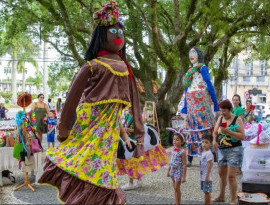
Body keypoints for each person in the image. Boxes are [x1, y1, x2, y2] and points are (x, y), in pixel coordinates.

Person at [38, 2, 144, 204]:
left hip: (108, 133)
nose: (118, 34)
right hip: (87, 126)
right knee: (82, 165)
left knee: (101, 171)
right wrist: (63, 129)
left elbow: (136, 106)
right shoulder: (92, 66)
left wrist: (139, 137)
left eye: (120, 31)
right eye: (113, 31)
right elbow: (71, 100)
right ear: (102, 36)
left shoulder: (125, 68)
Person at [181, 47, 219, 166]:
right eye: (190, 53)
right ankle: (190, 158)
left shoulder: (203, 68)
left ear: (199, 55)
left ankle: (210, 155)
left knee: (205, 129)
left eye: (194, 52)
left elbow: (209, 84)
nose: (191, 55)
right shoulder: (189, 71)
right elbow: (186, 89)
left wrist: (215, 102)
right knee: (192, 131)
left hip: (202, 102)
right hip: (192, 103)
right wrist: (185, 106)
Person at [117, 107, 167, 190]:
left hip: (135, 142)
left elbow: (140, 129)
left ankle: (131, 182)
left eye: (131, 107)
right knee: (131, 162)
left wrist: (129, 130)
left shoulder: (138, 118)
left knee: (131, 161)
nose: (129, 109)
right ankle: (138, 181)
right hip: (128, 141)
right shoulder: (127, 116)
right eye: (129, 107)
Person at [213, 99, 245, 204]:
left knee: (231, 176)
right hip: (222, 150)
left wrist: (229, 132)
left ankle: (232, 200)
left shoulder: (238, 119)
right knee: (221, 174)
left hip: (234, 150)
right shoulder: (220, 118)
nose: (222, 113)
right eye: (221, 110)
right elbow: (215, 132)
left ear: (230, 109)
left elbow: (242, 136)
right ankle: (221, 196)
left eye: (224, 111)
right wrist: (214, 140)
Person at [167, 132, 187, 205]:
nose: (174, 141)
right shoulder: (173, 149)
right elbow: (171, 161)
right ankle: (176, 201)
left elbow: (184, 165)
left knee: (177, 187)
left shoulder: (183, 152)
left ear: (182, 142)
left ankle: (178, 202)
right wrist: (168, 170)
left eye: (177, 140)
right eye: (174, 139)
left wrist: (184, 177)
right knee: (174, 187)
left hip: (179, 171)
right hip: (173, 170)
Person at [200, 134, 214, 205]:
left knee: (207, 192)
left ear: (210, 143)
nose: (204, 144)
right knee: (206, 192)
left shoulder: (209, 153)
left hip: (207, 177)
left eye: (206, 142)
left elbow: (210, 164)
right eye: (202, 142)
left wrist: (207, 176)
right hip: (203, 176)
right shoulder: (204, 152)